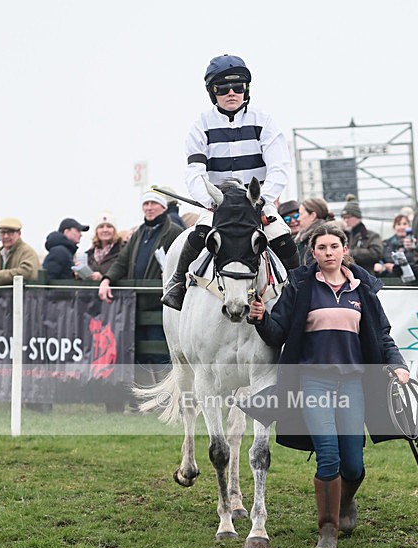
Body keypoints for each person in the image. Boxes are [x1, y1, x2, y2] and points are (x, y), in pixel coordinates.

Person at [247, 222, 410, 548]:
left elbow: (381, 335)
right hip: (313, 382)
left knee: (353, 464)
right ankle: (327, 530)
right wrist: (262, 318)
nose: (328, 253)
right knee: (328, 454)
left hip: (353, 383)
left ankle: (346, 501)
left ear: (344, 250)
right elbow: (277, 332)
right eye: (321, 248)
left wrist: (398, 364)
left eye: (334, 246)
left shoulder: (362, 290)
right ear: (313, 253)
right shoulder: (301, 287)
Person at [162, 54, 298, 310]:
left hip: (255, 200)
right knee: (199, 233)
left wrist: (262, 199)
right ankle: (177, 283)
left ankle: (302, 290)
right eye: (223, 88)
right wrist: (208, 201)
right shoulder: (200, 125)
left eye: (238, 87)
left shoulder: (264, 121)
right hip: (219, 202)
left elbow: (279, 167)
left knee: (281, 235)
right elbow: (194, 171)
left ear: (247, 89)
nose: (232, 93)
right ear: (213, 92)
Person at [98, 186, 183, 402]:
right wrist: (107, 279)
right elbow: (122, 261)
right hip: (137, 305)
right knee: (141, 354)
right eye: (146, 204)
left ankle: (168, 400)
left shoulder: (173, 232)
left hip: (160, 305)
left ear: (163, 207)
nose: (149, 207)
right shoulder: (139, 234)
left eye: (153, 203)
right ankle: (145, 400)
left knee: (161, 355)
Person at [0, 218, 40, 285]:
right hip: (3, 294)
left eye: (10, 233)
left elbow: (26, 272)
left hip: (24, 295)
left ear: (19, 234)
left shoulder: (27, 252)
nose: (6, 236)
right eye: (3, 233)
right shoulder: (0, 254)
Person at [340, 195, 383, 273]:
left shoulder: (371, 236)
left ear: (358, 217)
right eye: (344, 217)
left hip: (365, 276)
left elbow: (376, 253)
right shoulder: (342, 236)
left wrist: (351, 253)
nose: (346, 220)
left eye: (348, 217)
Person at [86, 212, 123, 280]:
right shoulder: (88, 255)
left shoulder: (123, 251)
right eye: (101, 227)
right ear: (96, 231)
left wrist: (103, 278)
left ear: (114, 231)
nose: (105, 230)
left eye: (109, 227)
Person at [295, 197, 331, 265]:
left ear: (312, 216)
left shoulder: (320, 238)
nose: (298, 219)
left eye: (301, 214)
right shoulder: (306, 238)